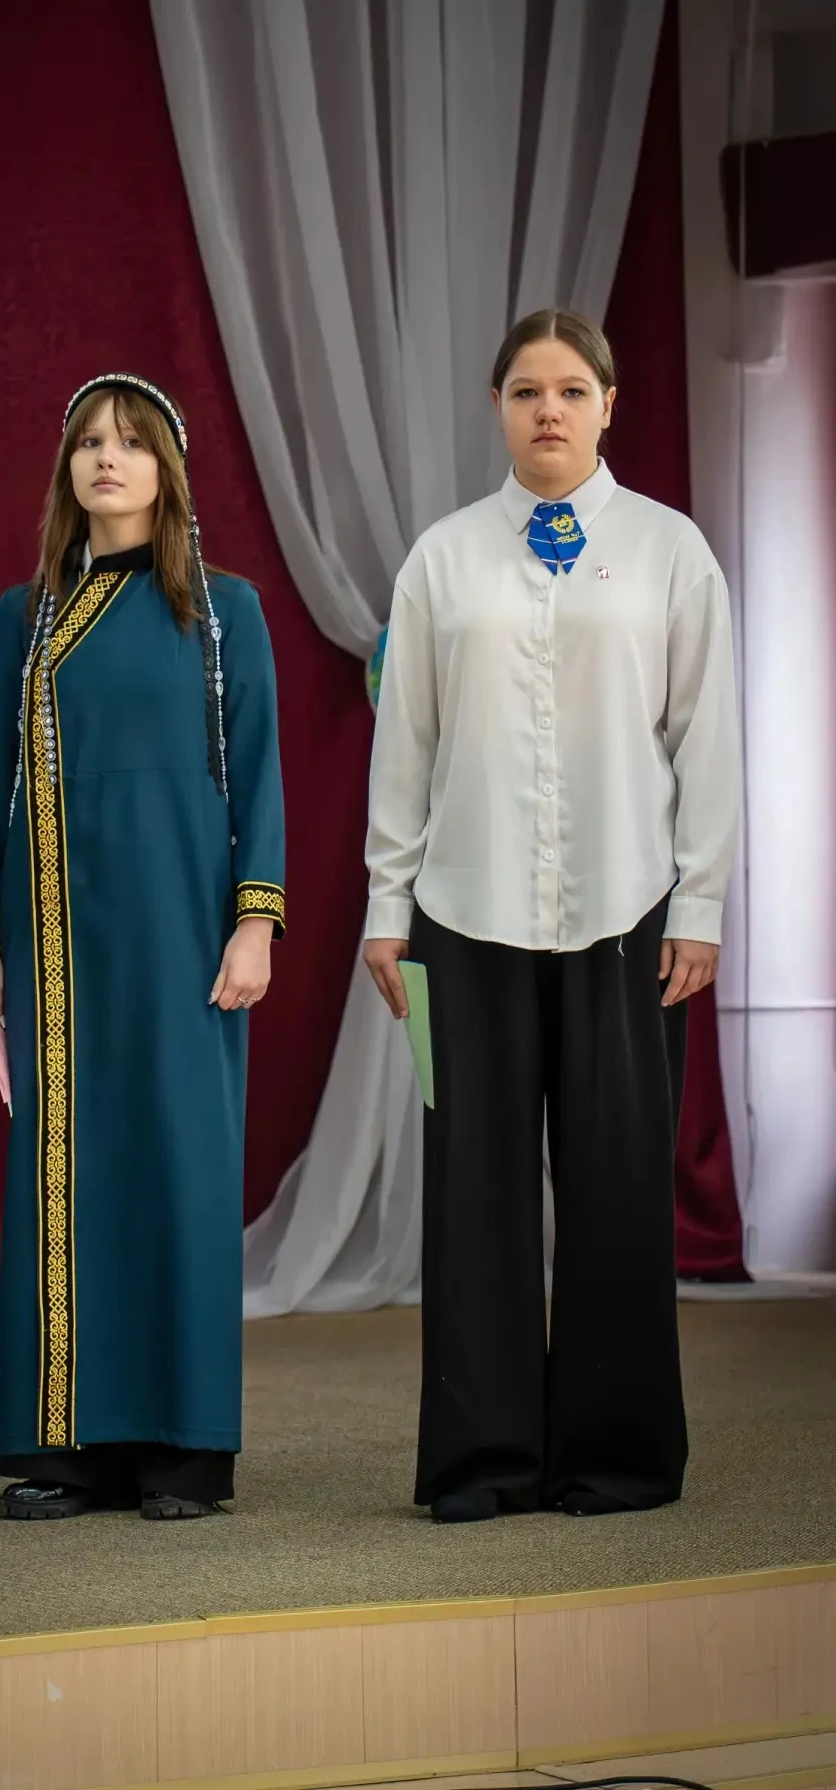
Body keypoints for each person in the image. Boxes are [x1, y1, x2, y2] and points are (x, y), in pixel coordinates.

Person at [364, 311, 740, 1524]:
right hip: (458, 915)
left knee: (617, 1189)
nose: (547, 410)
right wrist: (383, 908)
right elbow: (403, 744)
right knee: (470, 1194)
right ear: (494, 407)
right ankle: (481, 1461)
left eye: (570, 390)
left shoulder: (672, 552)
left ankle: (613, 1457)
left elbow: (705, 738)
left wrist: (700, 902)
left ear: (607, 405)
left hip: (629, 914)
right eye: (525, 390)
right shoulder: (440, 560)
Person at [0, 374, 284, 1521]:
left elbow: (258, 776)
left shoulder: (224, 611)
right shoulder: (25, 616)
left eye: (130, 442)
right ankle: (67, 1449)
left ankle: (184, 1450)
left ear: (165, 469)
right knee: (68, 1174)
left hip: (185, 932)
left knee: (180, 1171)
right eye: (88, 440)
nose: (105, 458)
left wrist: (254, 921)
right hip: (58, 941)